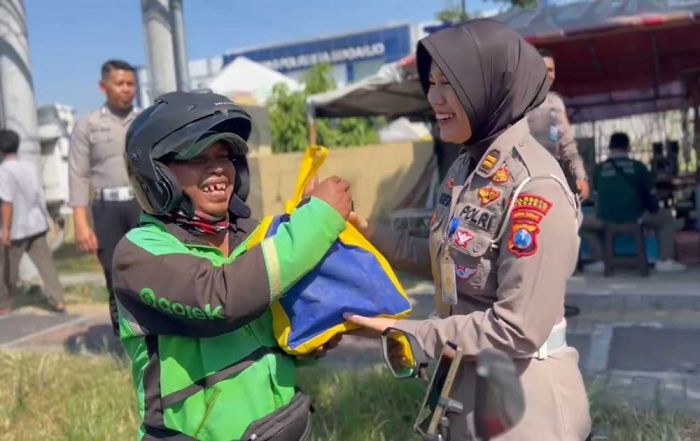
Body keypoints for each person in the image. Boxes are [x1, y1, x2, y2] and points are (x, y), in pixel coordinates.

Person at [346, 20, 591, 440]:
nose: (434, 97)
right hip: (465, 391)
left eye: (450, 84)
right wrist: (364, 230)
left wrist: (406, 331)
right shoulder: (466, 167)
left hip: (524, 411)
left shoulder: (535, 186)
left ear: (490, 87)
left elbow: (517, 328)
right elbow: (448, 264)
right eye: (432, 82)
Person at [112, 91, 351, 440]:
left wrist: (308, 338)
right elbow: (220, 300)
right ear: (155, 173)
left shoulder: (254, 235)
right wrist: (319, 219)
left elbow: (271, 324)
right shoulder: (138, 254)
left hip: (281, 426)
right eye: (197, 156)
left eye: (224, 155)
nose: (218, 168)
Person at [68, 59, 141, 334]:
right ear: (103, 86)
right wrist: (81, 222)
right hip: (106, 210)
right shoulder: (87, 125)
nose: (126, 89)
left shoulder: (145, 120)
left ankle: (156, 341)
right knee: (116, 277)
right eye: (119, 83)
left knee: (150, 270)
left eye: (130, 84)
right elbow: (78, 175)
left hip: (141, 205)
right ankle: (125, 342)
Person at [580, 132, 686, 272]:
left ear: (610, 148)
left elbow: (595, 197)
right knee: (666, 217)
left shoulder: (599, 169)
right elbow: (651, 193)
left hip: (603, 219)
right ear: (628, 148)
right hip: (636, 217)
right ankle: (664, 260)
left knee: (578, 222)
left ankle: (599, 259)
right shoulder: (638, 167)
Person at [0, 129, 65, 315]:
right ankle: (59, 302)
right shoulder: (29, 167)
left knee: (7, 269)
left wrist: (5, 229)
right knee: (47, 266)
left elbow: (7, 202)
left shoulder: (3, 171)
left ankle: (3, 304)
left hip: (16, 229)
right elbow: (38, 195)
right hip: (36, 224)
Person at [527, 48, 590, 201]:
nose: (548, 75)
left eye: (550, 70)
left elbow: (567, 145)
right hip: (523, 180)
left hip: (551, 179)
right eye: (542, 69)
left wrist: (580, 177)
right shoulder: (517, 102)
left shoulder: (555, 103)